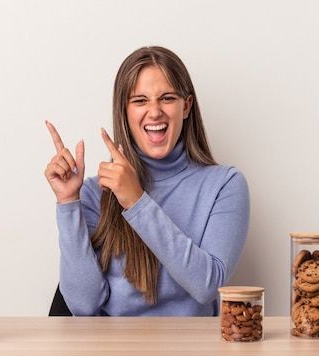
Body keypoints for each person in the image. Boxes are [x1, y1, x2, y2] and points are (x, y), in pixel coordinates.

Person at [44, 46, 250, 316]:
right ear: (125, 111)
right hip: (114, 354)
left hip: (192, 354)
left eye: (166, 98)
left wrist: (136, 201)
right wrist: (69, 202)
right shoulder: (96, 191)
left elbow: (206, 285)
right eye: (140, 101)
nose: (154, 112)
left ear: (186, 106)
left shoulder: (225, 184)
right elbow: (84, 306)